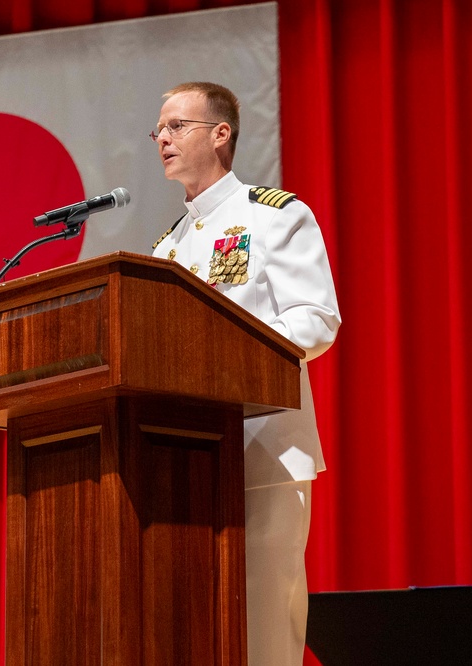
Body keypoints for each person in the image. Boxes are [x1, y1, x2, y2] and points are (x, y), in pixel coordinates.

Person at [151, 82, 341, 665]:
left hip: (263, 452)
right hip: (184, 461)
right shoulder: (166, 249)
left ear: (220, 133)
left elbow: (315, 321)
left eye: (176, 125)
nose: (162, 138)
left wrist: (227, 355)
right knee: (193, 631)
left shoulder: (274, 216)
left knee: (263, 630)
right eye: (158, 130)